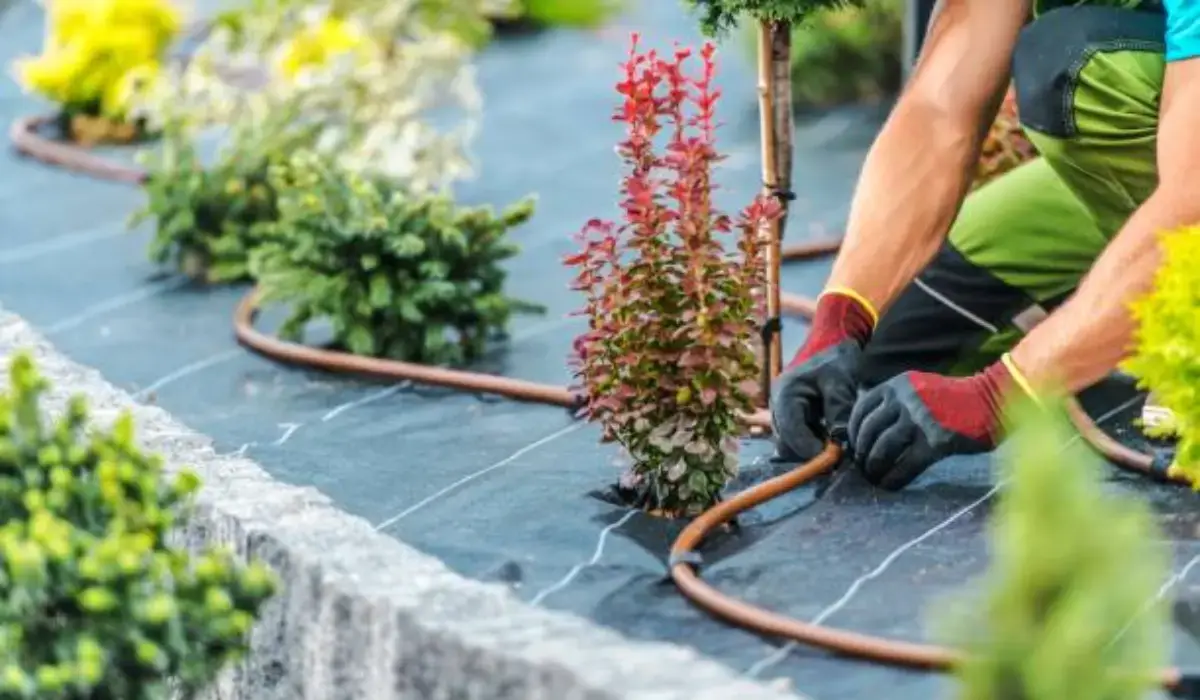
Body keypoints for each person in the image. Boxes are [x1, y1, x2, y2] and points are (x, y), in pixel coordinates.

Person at [770, 0, 1200, 490]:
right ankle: (1112, 297)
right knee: (897, 340)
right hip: (1170, 147)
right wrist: (842, 316)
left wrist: (1001, 393)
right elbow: (939, 109)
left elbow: (1192, 202)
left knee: (1073, 65)